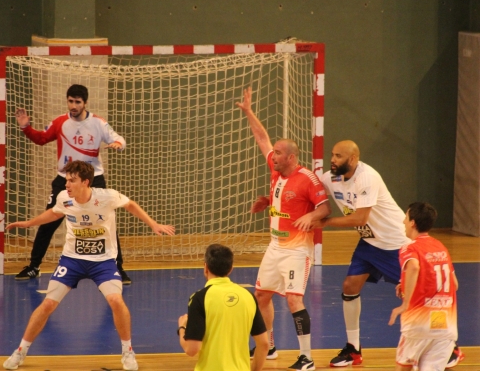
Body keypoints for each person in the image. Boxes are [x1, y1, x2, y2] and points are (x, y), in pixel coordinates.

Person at [2, 160, 175, 370]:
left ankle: (128, 352)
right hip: (72, 260)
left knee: (116, 301)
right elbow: (55, 213)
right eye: (66, 180)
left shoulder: (107, 197)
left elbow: (130, 204)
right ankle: (20, 351)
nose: (67, 185)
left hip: (103, 261)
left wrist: (153, 224)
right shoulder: (64, 198)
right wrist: (29, 223)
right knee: (47, 304)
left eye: (72, 181)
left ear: (85, 182)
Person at [312, 140, 463, 368]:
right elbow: (309, 189)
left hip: (395, 244)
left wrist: (323, 222)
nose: (332, 160)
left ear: (352, 159)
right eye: (332, 155)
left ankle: (451, 347)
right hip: (370, 243)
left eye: (338, 156)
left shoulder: (367, 177)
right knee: (350, 286)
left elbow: (359, 218)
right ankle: (354, 350)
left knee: (423, 292)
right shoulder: (330, 177)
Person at [235, 87, 331, 370]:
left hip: (297, 249)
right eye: (273, 152)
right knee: (261, 295)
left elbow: (325, 209)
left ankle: (307, 357)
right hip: (275, 246)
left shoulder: (309, 179)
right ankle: (271, 345)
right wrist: (250, 112)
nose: (272, 155)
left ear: (290, 157)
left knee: (293, 299)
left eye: (278, 153)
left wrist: (311, 217)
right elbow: (261, 138)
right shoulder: (277, 172)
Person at [14, 84, 132, 284]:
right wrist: (26, 127)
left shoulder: (98, 123)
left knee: (106, 223)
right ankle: (34, 266)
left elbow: (119, 138)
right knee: (48, 223)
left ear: (85, 103)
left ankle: (118, 268)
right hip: (65, 181)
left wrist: (117, 144)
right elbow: (42, 139)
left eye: (78, 102)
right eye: (71, 101)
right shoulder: (60, 122)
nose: (73, 105)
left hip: (93, 181)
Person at [388, 202, 459, 371]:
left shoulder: (409, 247)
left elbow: (413, 267)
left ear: (413, 223)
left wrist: (405, 304)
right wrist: (405, 283)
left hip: (418, 324)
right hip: (444, 325)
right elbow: (454, 284)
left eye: (405, 218)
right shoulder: (441, 247)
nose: (403, 222)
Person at [177, 243, 268, 371]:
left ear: (206, 267)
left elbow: (191, 349)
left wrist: (181, 327)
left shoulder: (199, 298)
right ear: (231, 269)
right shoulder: (248, 296)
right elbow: (264, 344)